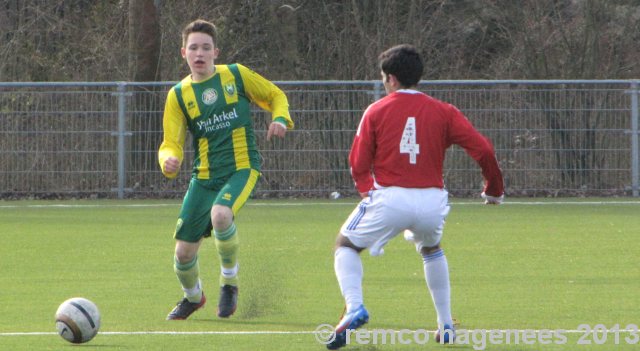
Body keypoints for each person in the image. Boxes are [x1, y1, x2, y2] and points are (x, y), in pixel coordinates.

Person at [326, 44, 504, 349]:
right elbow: (484, 149)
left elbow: (357, 161)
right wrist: (494, 190)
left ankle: (355, 307)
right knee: (432, 248)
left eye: (384, 78)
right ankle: (445, 324)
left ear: (391, 79)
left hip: (391, 198)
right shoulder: (444, 111)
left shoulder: (377, 109)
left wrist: (367, 189)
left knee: (345, 246)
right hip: (433, 201)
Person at [159, 19, 293, 320]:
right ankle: (193, 298)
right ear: (183, 53)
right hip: (203, 178)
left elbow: (275, 96)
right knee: (182, 255)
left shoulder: (236, 75)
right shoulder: (178, 95)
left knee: (221, 214)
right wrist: (167, 160)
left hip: (241, 168)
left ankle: (229, 283)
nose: (200, 53)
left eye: (206, 47)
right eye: (193, 47)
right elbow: (171, 143)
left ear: (215, 52)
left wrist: (280, 118)